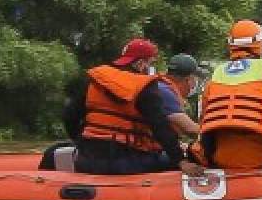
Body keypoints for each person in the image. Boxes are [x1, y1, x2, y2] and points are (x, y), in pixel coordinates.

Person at [62, 38, 202, 176]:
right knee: (181, 159)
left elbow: (69, 116)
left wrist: (81, 142)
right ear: (141, 63)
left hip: (87, 160)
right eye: (151, 63)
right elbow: (160, 126)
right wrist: (181, 161)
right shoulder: (144, 86)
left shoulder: (95, 80)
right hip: (128, 162)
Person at [191, 19, 262, 169]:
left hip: (221, 158)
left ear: (231, 45)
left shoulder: (214, 80)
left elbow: (204, 121)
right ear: (259, 44)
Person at [157, 53, 205, 138]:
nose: (196, 83)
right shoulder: (165, 92)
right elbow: (190, 129)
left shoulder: (160, 85)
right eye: (195, 78)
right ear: (188, 79)